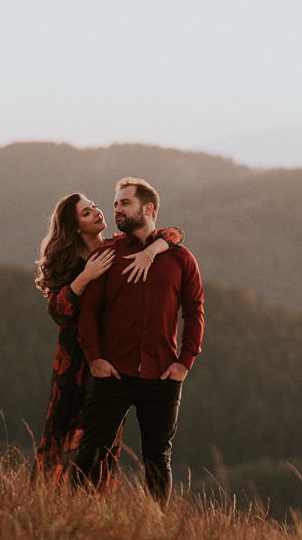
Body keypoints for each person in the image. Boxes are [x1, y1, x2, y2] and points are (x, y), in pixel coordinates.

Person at [33, 192, 184, 486]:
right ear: (75, 227)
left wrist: (151, 251)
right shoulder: (70, 262)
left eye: (94, 207)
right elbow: (58, 310)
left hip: (112, 362)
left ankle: (93, 507)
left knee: (102, 444)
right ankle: (47, 500)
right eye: (86, 213)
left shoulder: (118, 247)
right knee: (63, 433)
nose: (98, 212)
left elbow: (173, 234)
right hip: (75, 364)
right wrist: (86, 276)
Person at [73, 177, 204, 505]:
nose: (116, 209)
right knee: (91, 450)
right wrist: (94, 359)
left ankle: (157, 527)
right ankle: (72, 516)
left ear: (147, 208)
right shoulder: (108, 254)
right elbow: (88, 310)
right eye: (115, 203)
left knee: (158, 458)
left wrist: (185, 362)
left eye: (124, 203)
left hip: (162, 375)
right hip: (112, 373)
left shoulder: (180, 259)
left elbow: (194, 311)